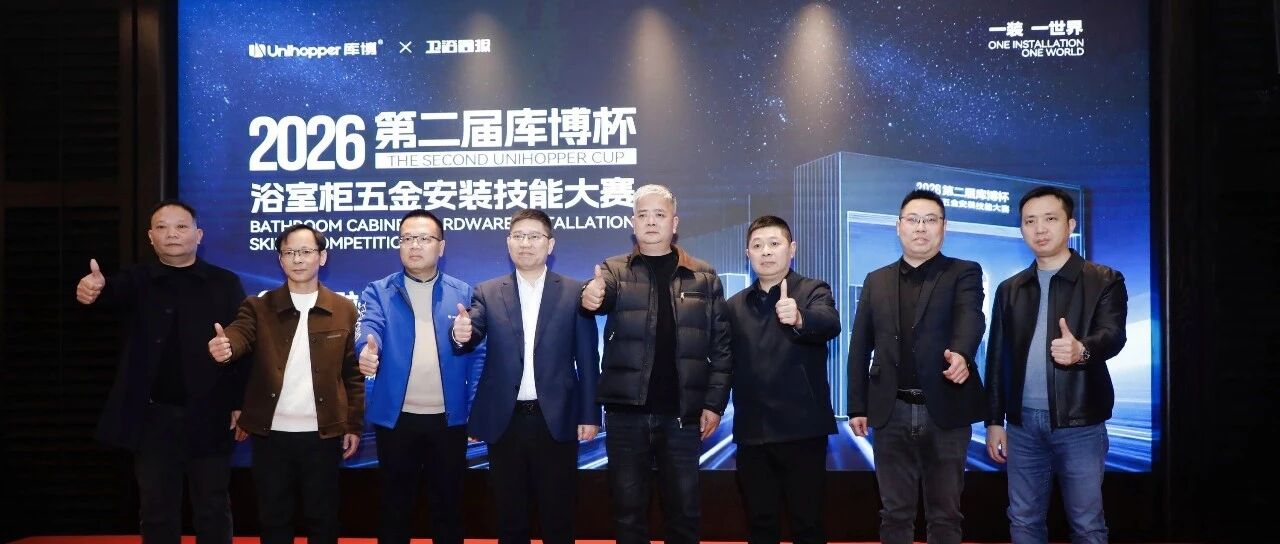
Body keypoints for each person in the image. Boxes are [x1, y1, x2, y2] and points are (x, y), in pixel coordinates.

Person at [76, 200, 245, 544]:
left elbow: (244, 344)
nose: (172, 234)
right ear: (151, 237)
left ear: (199, 235)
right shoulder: (135, 280)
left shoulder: (225, 283)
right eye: (162, 227)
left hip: (211, 414)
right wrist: (91, 290)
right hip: (151, 418)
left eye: (181, 227)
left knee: (213, 507)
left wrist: (241, 403)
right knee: (156, 509)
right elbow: (105, 295)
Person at [580, 183, 733, 544]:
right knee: (628, 515)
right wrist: (590, 295)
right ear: (632, 223)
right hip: (626, 414)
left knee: (684, 514)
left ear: (674, 223)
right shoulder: (614, 269)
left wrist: (713, 404)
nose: (651, 222)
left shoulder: (704, 275)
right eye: (643, 215)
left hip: (682, 415)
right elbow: (598, 296)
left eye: (659, 214)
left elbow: (722, 346)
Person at [984, 186, 1128, 544]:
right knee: (1023, 521)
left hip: (1080, 423)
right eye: (1030, 221)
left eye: (1050, 219)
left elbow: (1113, 335)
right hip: (1021, 426)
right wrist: (994, 421)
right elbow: (997, 358)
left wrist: (1083, 350)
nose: (1040, 229)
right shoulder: (1010, 289)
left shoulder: (1104, 279)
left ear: (1070, 225)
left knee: (1087, 524)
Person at [207, 223, 363, 544]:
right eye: (289, 252)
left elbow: (352, 374)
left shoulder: (344, 309)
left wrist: (353, 424)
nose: (298, 259)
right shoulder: (258, 306)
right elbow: (240, 333)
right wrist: (227, 346)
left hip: (323, 434)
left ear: (322, 257)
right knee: (274, 519)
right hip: (272, 435)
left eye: (306, 251)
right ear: (280, 259)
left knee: (324, 519)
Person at [452, 208, 600, 544]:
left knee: (558, 518)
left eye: (534, 236)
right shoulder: (488, 291)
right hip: (506, 422)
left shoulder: (575, 292)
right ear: (508, 243)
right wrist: (461, 333)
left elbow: (588, 359)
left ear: (550, 244)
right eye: (518, 236)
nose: (525, 243)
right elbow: (472, 331)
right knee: (509, 518)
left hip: (557, 420)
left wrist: (590, 414)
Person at [847, 189, 987, 544]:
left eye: (930, 220)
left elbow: (971, 318)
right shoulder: (876, 280)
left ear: (944, 227)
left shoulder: (964, 272)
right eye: (913, 220)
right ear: (898, 227)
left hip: (946, 408)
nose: (920, 228)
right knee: (894, 514)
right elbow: (860, 345)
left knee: (945, 515)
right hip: (890, 410)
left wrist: (962, 353)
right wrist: (857, 406)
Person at [353, 209, 484, 544]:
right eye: (407, 238)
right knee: (394, 509)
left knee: (448, 509)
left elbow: (479, 356)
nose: (414, 245)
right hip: (396, 420)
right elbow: (370, 327)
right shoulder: (379, 291)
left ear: (441, 247)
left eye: (424, 238)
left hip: (449, 421)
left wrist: (473, 410)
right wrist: (366, 351)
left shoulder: (463, 293)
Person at [725, 215, 841, 544]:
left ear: (792, 249)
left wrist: (800, 316)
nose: (766, 252)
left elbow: (830, 322)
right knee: (760, 524)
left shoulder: (813, 290)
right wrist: (711, 407)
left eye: (774, 244)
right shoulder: (734, 306)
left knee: (808, 523)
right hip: (753, 432)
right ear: (747, 254)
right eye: (757, 245)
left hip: (803, 431)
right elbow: (724, 363)